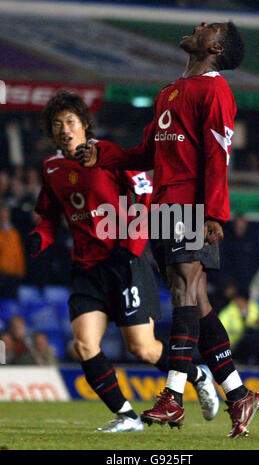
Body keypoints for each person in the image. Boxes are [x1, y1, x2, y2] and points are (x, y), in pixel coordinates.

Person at [75, 21, 259, 438]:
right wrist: (104, 154)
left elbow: (218, 154)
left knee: (184, 290)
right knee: (195, 301)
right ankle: (239, 396)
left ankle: (173, 398)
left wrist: (214, 213)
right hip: (164, 206)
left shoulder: (215, 91)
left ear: (215, 46)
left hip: (190, 206)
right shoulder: (171, 91)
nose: (199, 26)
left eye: (208, 27)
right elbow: (146, 151)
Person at [26, 91, 219, 433]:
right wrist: (41, 236)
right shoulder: (51, 167)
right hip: (87, 268)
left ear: (85, 125)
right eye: (57, 125)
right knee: (84, 344)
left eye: (70, 122)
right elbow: (48, 214)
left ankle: (198, 374)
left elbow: (146, 197)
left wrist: (131, 246)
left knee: (142, 349)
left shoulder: (107, 155)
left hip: (126, 260)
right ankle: (127, 417)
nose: (64, 130)